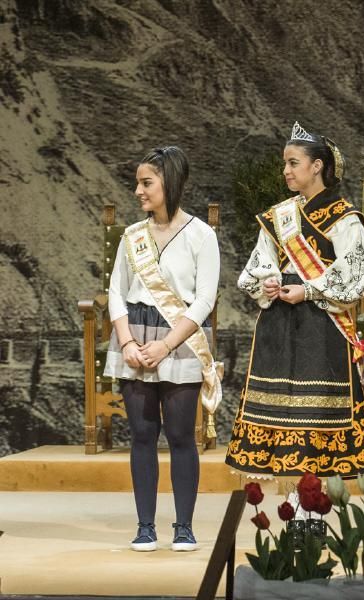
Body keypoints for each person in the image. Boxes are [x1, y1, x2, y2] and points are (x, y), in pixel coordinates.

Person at [226, 122, 364, 484]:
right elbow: (253, 270)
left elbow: (355, 273)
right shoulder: (280, 216)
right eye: (285, 163)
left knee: (316, 418)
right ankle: (291, 511)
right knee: (280, 417)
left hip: (321, 325)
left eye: (294, 163)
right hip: (279, 323)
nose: (286, 171)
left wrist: (308, 290)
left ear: (317, 166)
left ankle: (312, 513)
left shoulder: (344, 216)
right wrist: (270, 281)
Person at [105, 146, 220, 552]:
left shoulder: (201, 236)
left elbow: (205, 299)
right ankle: (145, 526)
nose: (138, 190)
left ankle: (184, 526)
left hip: (179, 338)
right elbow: (115, 291)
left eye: (146, 182)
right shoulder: (132, 236)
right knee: (141, 433)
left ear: (169, 182)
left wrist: (166, 345)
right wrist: (128, 342)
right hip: (134, 336)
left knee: (179, 435)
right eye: (138, 182)